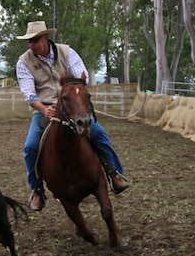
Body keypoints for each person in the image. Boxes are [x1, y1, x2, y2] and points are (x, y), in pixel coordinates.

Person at [16, 21, 129, 211]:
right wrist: (44, 109)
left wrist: (75, 101)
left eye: (35, 40)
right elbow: (29, 94)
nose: (31, 44)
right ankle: (36, 189)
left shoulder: (67, 52)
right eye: (29, 41)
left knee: (99, 134)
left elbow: (81, 78)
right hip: (45, 109)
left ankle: (114, 173)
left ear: (45, 38)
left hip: (73, 107)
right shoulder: (24, 62)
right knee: (30, 147)